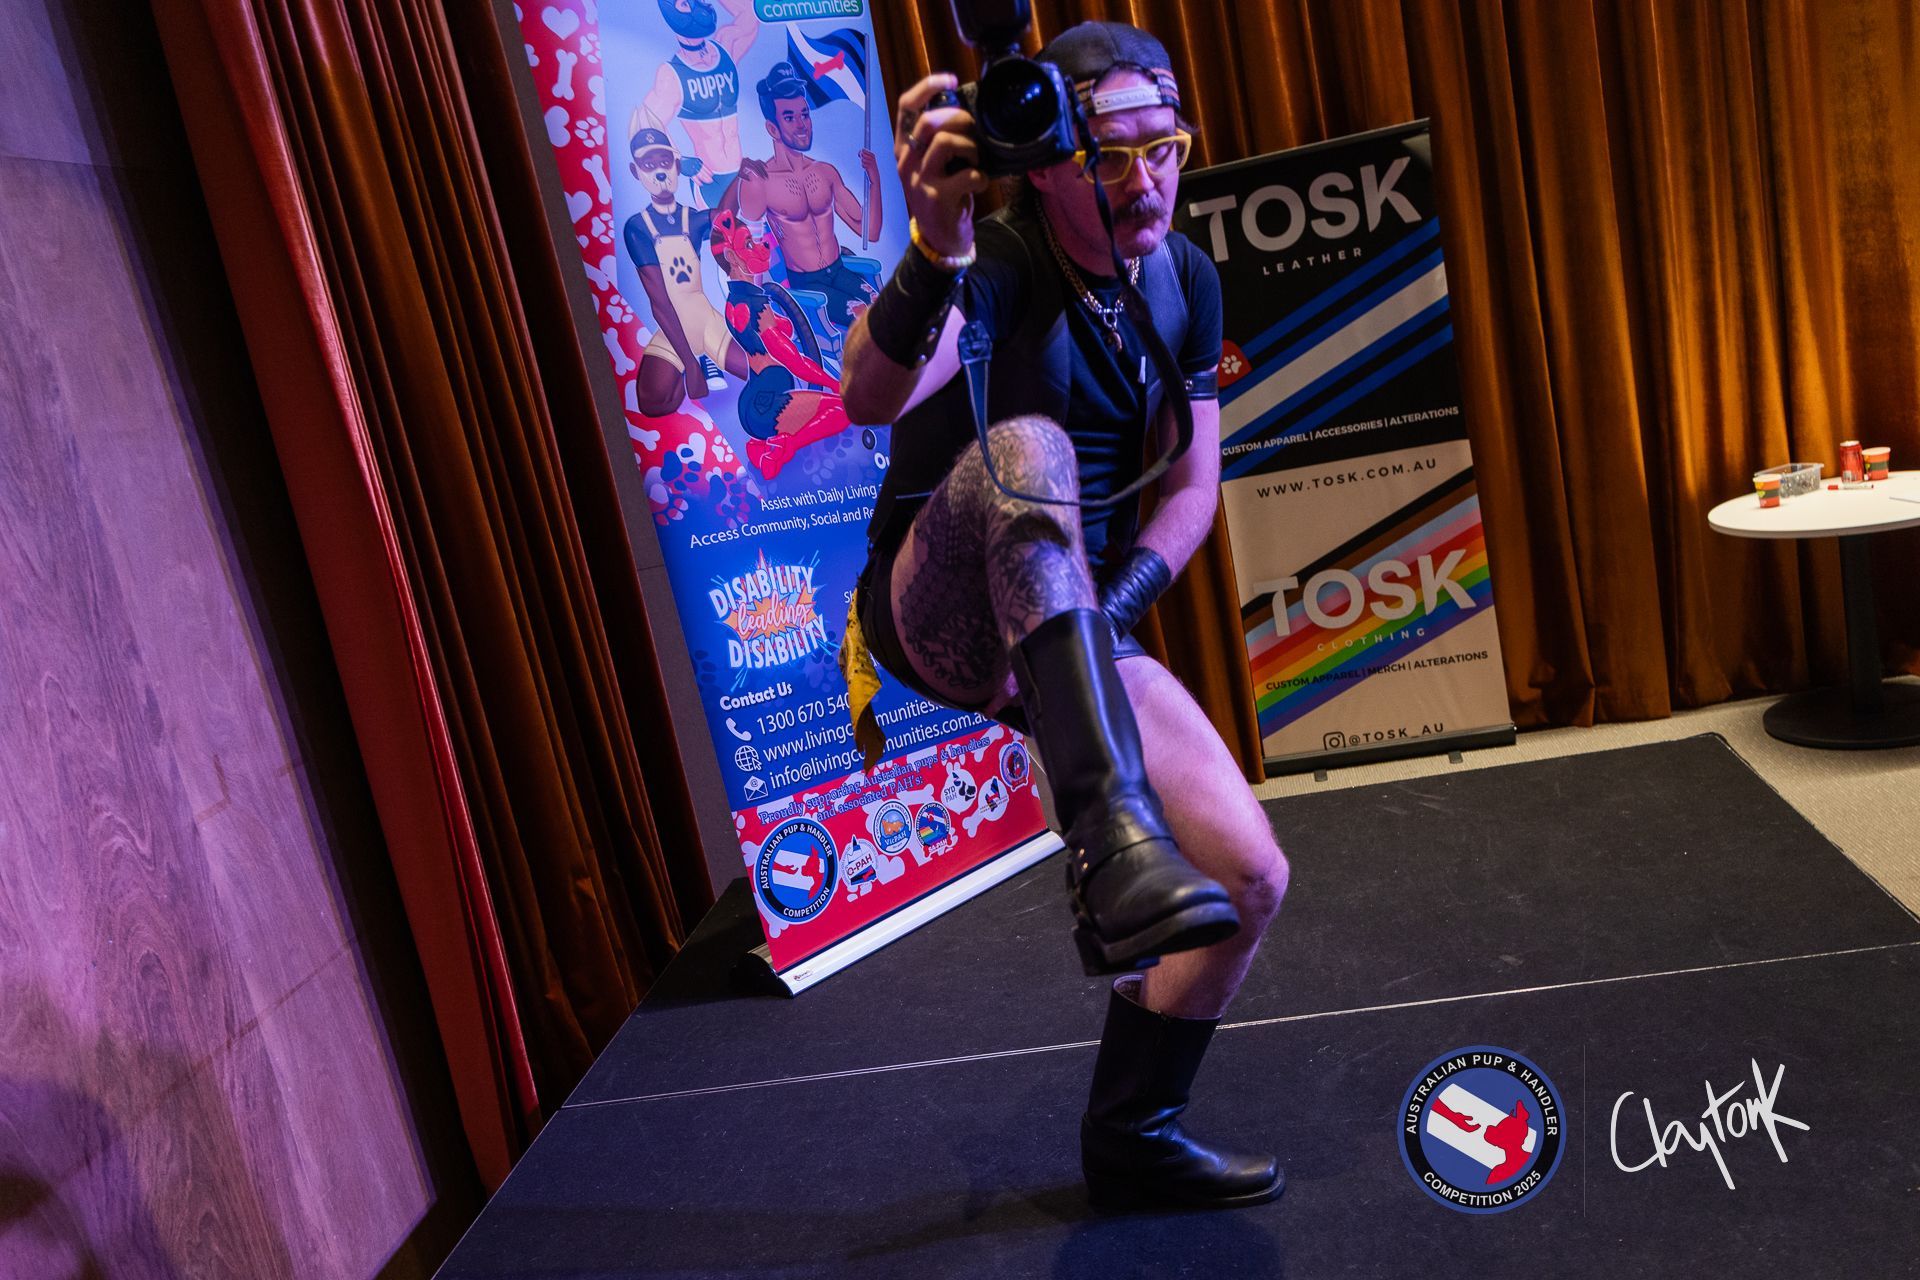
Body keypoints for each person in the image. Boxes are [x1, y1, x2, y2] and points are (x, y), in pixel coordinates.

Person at [838, 22, 1290, 1210]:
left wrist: (1110, 612)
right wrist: (932, 251)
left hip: (1071, 619)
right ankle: (1107, 845)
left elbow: (1190, 489)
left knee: (1249, 875)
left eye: (1163, 148)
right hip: (938, 600)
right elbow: (867, 394)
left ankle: (1133, 1131)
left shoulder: (1184, 278)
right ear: (1046, 169)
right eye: (1112, 157)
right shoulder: (998, 263)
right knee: (1032, 446)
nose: (1146, 180)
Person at [622, 121, 749, 415]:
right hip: (672, 328)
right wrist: (690, 365)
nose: (659, 171)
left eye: (665, 161)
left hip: (705, 320)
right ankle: (701, 362)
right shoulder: (638, 227)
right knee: (653, 402)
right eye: (649, 164)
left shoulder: (691, 218)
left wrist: (740, 178)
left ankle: (708, 357)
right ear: (635, 171)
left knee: (757, 372)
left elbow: (724, 217)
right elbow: (660, 303)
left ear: (677, 166)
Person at [753, 61, 883, 335]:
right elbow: (750, 248)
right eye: (790, 117)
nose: (802, 125)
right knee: (865, 316)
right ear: (772, 128)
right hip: (807, 284)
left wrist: (874, 179)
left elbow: (870, 232)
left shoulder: (825, 172)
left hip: (839, 271)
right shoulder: (763, 180)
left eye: (805, 114)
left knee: (884, 305)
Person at [642, 0, 759, 210]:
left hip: (742, 174)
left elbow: (751, 13)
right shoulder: (672, 74)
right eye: (685, 3)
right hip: (712, 180)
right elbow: (647, 121)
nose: (698, 7)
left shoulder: (726, 47)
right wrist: (678, 160)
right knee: (721, 232)